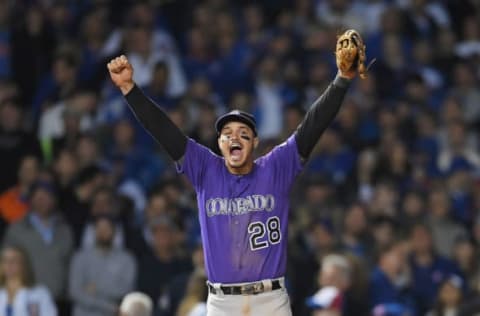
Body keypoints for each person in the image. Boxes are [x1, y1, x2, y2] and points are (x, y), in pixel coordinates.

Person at [107, 29, 357, 314]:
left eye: (243, 133)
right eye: (227, 133)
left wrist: (341, 80)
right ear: (220, 143)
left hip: (270, 299)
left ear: (255, 142)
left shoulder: (275, 167)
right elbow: (164, 131)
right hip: (223, 302)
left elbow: (312, 125)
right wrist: (130, 90)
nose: (234, 137)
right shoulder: (205, 169)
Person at [69, 215, 137, 316]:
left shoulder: (127, 259)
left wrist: (97, 288)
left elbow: (127, 290)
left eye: (106, 228)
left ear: (114, 231)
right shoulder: (80, 257)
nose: (102, 232)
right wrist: (110, 307)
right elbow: (75, 292)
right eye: (99, 228)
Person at [0, 245, 57, 315]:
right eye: (5, 260)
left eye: (14, 260)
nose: (9, 264)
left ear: (23, 264)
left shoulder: (39, 292)